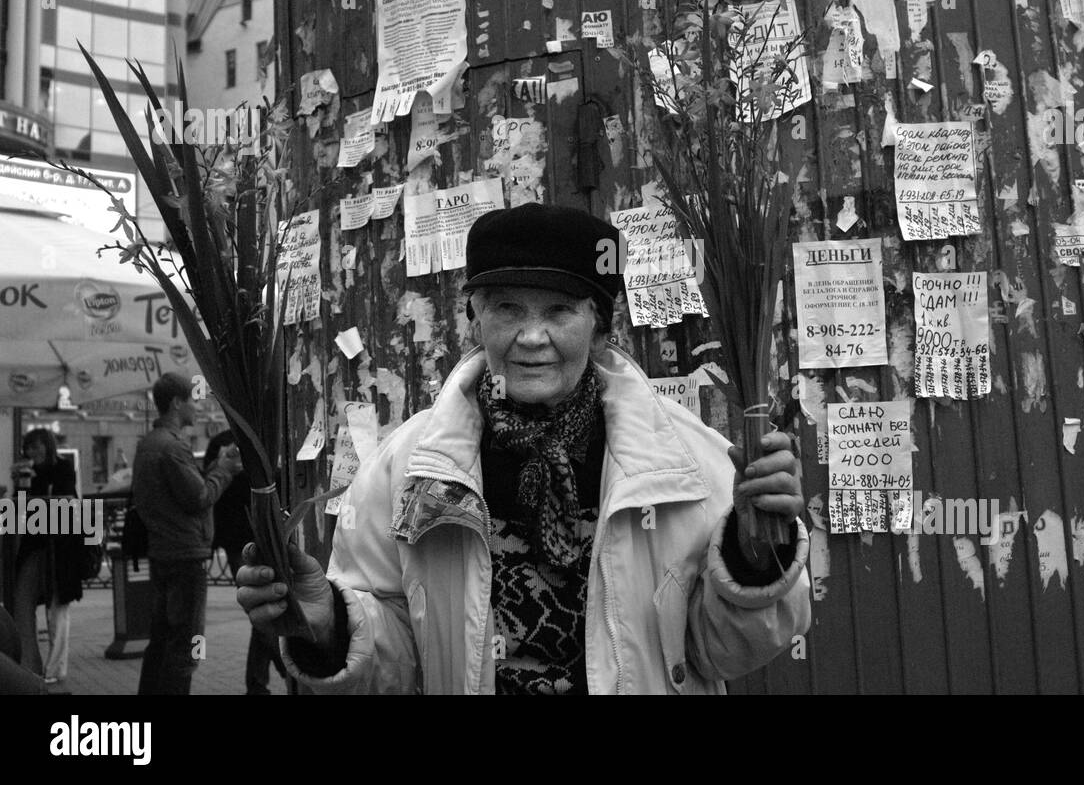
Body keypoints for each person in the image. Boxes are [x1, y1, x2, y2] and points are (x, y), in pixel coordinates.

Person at [239, 203, 811, 694]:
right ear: (475, 319)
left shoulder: (683, 461)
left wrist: (753, 557)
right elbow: (401, 663)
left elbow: (724, 653)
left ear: (600, 325)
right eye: (507, 308)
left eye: (559, 311)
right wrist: (332, 625)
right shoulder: (411, 469)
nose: (532, 337)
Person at [132, 372, 243, 695]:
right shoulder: (172, 448)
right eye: (192, 400)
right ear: (178, 403)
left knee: (162, 638)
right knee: (189, 641)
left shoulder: (147, 445)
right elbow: (199, 498)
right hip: (186, 556)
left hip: (163, 551)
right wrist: (224, 470)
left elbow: (184, 494)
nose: (196, 407)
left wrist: (215, 469)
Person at [210, 430, 286, 694]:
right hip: (241, 541)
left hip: (256, 537)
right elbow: (211, 487)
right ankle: (288, 673)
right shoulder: (224, 442)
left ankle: (256, 684)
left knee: (263, 612)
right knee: (263, 614)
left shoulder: (257, 436)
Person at [11, 428, 82, 684]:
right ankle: (31, 664)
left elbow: (64, 502)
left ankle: (54, 669)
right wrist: (19, 484)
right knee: (22, 602)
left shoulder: (63, 468)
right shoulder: (24, 473)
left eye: (37, 446)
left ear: (48, 446)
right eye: (28, 448)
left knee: (57, 608)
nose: (32, 452)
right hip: (33, 546)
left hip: (60, 548)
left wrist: (32, 498)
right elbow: (18, 512)